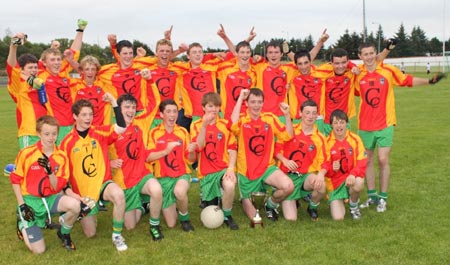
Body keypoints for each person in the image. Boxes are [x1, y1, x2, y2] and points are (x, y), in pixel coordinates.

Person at [355, 42, 446, 212]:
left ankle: (383, 198)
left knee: (382, 159)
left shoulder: (388, 71)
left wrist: (429, 82)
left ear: (376, 53)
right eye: (365, 54)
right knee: (366, 161)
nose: (368, 57)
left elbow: (407, 80)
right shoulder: (357, 74)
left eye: (371, 53)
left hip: (385, 123)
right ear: (360, 56)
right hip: (365, 125)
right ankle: (372, 196)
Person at [60, 97, 129, 251]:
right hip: (83, 192)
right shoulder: (67, 142)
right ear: (75, 116)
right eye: (84, 115)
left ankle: (117, 236)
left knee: (118, 195)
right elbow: (62, 175)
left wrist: (114, 103)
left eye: (90, 114)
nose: (88, 118)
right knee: (90, 233)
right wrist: (71, 194)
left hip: (103, 183)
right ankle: (72, 215)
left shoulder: (99, 132)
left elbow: (121, 127)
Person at [10, 115, 81, 253]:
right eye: (46, 134)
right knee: (39, 251)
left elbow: (57, 187)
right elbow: (15, 180)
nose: (51, 137)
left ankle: (64, 233)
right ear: (38, 134)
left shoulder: (61, 156)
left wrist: (50, 172)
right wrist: (22, 205)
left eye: (54, 134)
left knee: (75, 206)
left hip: (50, 199)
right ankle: (22, 224)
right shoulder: (26, 153)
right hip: (30, 201)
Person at [230, 88, 294, 222]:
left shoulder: (270, 119)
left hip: (267, 168)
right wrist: (240, 98)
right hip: (247, 173)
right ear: (247, 104)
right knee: (255, 219)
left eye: (259, 102)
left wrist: (287, 115)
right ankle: (246, 199)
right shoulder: (242, 120)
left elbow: (288, 135)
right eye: (252, 102)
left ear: (263, 103)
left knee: (289, 186)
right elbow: (232, 125)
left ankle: (270, 204)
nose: (256, 105)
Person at [109, 94, 164, 241]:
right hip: (125, 181)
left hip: (142, 174)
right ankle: (142, 207)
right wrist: (109, 163)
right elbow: (98, 152)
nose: (131, 110)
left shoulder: (141, 123)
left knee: (157, 190)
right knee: (130, 226)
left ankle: (154, 225)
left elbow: (155, 102)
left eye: (133, 107)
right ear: (118, 110)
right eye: (127, 107)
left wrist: (149, 80)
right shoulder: (112, 130)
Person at [146, 99, 197, 232]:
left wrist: (192, 152)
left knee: (179, 192)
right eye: (168, 111)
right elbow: (148, 157)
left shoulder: (183, 132)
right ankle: (170, 203)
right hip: (163, 178)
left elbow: (191, 160)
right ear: (162, 115)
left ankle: (185, 219)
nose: (172, 115)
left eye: (174, 111)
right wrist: (165, 151)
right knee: (171, 224)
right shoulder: (154, 133)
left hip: (181, 174)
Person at [190, 92, 239, 230]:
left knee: (229, 184)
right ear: (203, 107)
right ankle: (209, 197)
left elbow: (233, 149)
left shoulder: (225, 125)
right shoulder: (196, 125)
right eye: (210, 106)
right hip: (206, 172)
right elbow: (198, 147)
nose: (214, 109)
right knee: (211, 206)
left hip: (222, 169)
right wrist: (204, 126)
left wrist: (230, 168)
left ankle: (227, 215)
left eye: (217, 106)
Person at [275, 100, 328, 221]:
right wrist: (284, 160)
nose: (310, 116)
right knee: (291, 219)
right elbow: (276, 149)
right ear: (300, 113)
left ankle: (312, 207)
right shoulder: (290, 129)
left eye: (314, 113)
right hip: (288, 177)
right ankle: (281, 196)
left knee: (321, 186)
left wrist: (320, 174)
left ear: (317, 115)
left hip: (305, 177)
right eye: (307, 112)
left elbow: (326, 161)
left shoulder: (320, 138)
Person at [6, 32, 47, 149]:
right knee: (29, 165)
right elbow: (11, 66)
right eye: (30, 68)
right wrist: (14, 46)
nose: (34, 70)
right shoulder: (19, 84)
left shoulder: (40, 81)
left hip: (46, 132)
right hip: (29, 133)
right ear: (22, 70)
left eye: (35, 67)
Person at [326, 109, 366, 221]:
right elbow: (323, 168)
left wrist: (353, 174)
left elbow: (362, 162)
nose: (339, 126)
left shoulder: (355, 139)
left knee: (359, 182)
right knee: (338, 218)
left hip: (350, 180)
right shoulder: (327, 143)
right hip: (335, 184)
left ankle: (354, 208)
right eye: (336, 123)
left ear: (346, 124)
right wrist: (331, 168)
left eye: (342, 122)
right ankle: (337, 199)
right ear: (331, 125)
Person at [71, 55, 113, 126]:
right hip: (82, 130)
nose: (90, 72)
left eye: (93, 69)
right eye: (87, 69)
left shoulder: (104, 84)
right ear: (82, 71)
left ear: (96, 71)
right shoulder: (74, 85)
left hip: (100, 129)